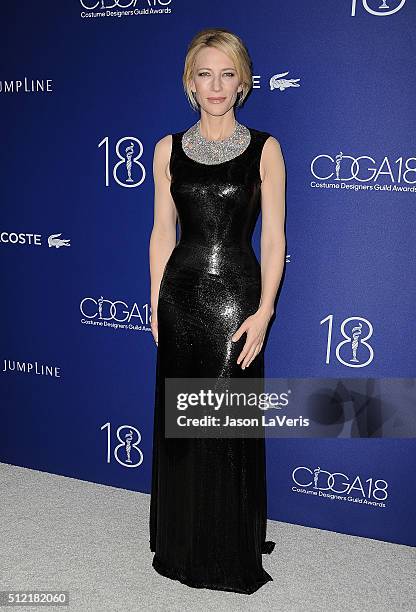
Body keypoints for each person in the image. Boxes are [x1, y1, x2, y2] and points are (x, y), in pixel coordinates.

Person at [149, 28, 286, 594]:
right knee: (183, 421)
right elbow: (162, 230)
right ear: (190, 81)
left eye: (227, 74)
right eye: (205, 73)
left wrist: (265, 311)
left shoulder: (266, 149)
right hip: (180, 296)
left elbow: (274, 240)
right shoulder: (166, 149)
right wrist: (154, 299)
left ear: (243, 83)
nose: (216, 85)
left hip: (236, 296)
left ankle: (229, 544)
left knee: (224, 421)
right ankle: (181, 538)